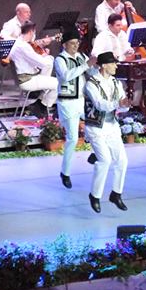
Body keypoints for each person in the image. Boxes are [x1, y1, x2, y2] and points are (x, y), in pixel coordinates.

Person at [83, 52, 129, 212]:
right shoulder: (91, 84)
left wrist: (125, 105)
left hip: (112, 126)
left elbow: (122, 103)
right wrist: (118, 103)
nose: (116, 66)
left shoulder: (116, 82)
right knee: (105, 161)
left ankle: (116, 193)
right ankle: (95, 195)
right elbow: (100, 104)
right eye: (113, 63)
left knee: (122, 161)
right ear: (103, 65)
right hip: (95, 127)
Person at [54, 31, 90, 189]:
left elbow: (91, 71)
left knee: (96, 127)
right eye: (72, 43)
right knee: (73, 138)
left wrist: (97, 65)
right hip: (67, 102)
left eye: (77, 43)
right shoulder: (60, 59)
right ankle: (65, 172)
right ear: (64, 45)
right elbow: (66, 76)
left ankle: (96, 154)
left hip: (81, 100)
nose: (76, 46)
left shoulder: (81, 56)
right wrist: (86, 66)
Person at [8, 21, 58, 118]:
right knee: (58, 83)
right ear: (31, 32)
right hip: (28, 80)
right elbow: (42, 63)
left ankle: (39, 103)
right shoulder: (24, 46)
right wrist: (47, 56)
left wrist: (41, 56)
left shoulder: (17, 43)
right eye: (34, 32)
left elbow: (32, 60)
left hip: (25, 77)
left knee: (49, 80)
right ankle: (41, 105)